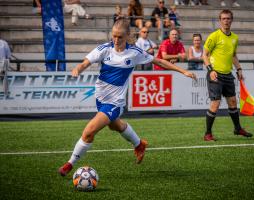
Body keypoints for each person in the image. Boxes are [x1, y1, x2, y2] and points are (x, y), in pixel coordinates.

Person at [58, 19, 196, 176]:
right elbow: (85, 62)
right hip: (100, 99)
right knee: (114, 126)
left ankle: (69, 164)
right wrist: (77, 69)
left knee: (89, 131)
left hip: (115, 103)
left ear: (127, 36)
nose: (116, 40)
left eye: (120, 37)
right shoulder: (104, 49)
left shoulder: (134, 53)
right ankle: (139, 144)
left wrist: (183, 71)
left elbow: (159, 61)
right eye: (114, 36)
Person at [202, 9, 252, 141]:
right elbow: (204, 55)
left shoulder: (235, 38)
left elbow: (233, 55)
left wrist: (239, 69)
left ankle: (237, 129)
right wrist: (210, 70)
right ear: (220, 21)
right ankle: (207, 134)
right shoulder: (214, 36)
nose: (226, 21)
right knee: (215, 103)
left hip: (228, 74)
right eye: (223, 19)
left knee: (233, 102)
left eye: (228, 18)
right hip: (215, 74)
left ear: (232, 20)